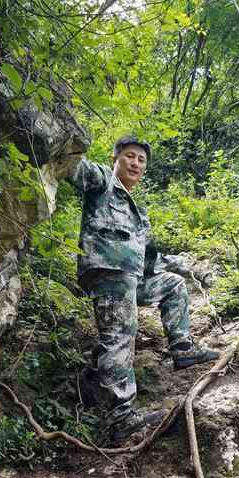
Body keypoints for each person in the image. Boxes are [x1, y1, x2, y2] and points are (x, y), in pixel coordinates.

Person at [70, 134, 219, 445]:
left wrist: (190, 266)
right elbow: (72, 167)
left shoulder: (139, 211)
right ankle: (120, 417)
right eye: (130, 156)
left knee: (173, 285)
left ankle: (183, 350)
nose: (135, 163)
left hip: (132, 279)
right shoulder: (102, 181)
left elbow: (152, 259)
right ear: (116, 159)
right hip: (108, 274)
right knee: (121, 336)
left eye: (141, 160)